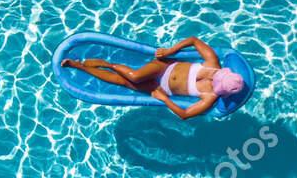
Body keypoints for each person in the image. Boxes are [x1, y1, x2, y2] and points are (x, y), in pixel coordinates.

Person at [62, 35, 244, 120]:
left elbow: (185, 114)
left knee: (121, 81)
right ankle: (109, 64)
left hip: (161, 90)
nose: (213, 81)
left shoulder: (210, 97)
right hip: (163, 67)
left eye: (216, 84)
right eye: (217, 78)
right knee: (135, 76)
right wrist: (171, 50)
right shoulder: (212, 63)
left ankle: (79, 66)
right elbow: (194, 40)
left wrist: (164, 99)